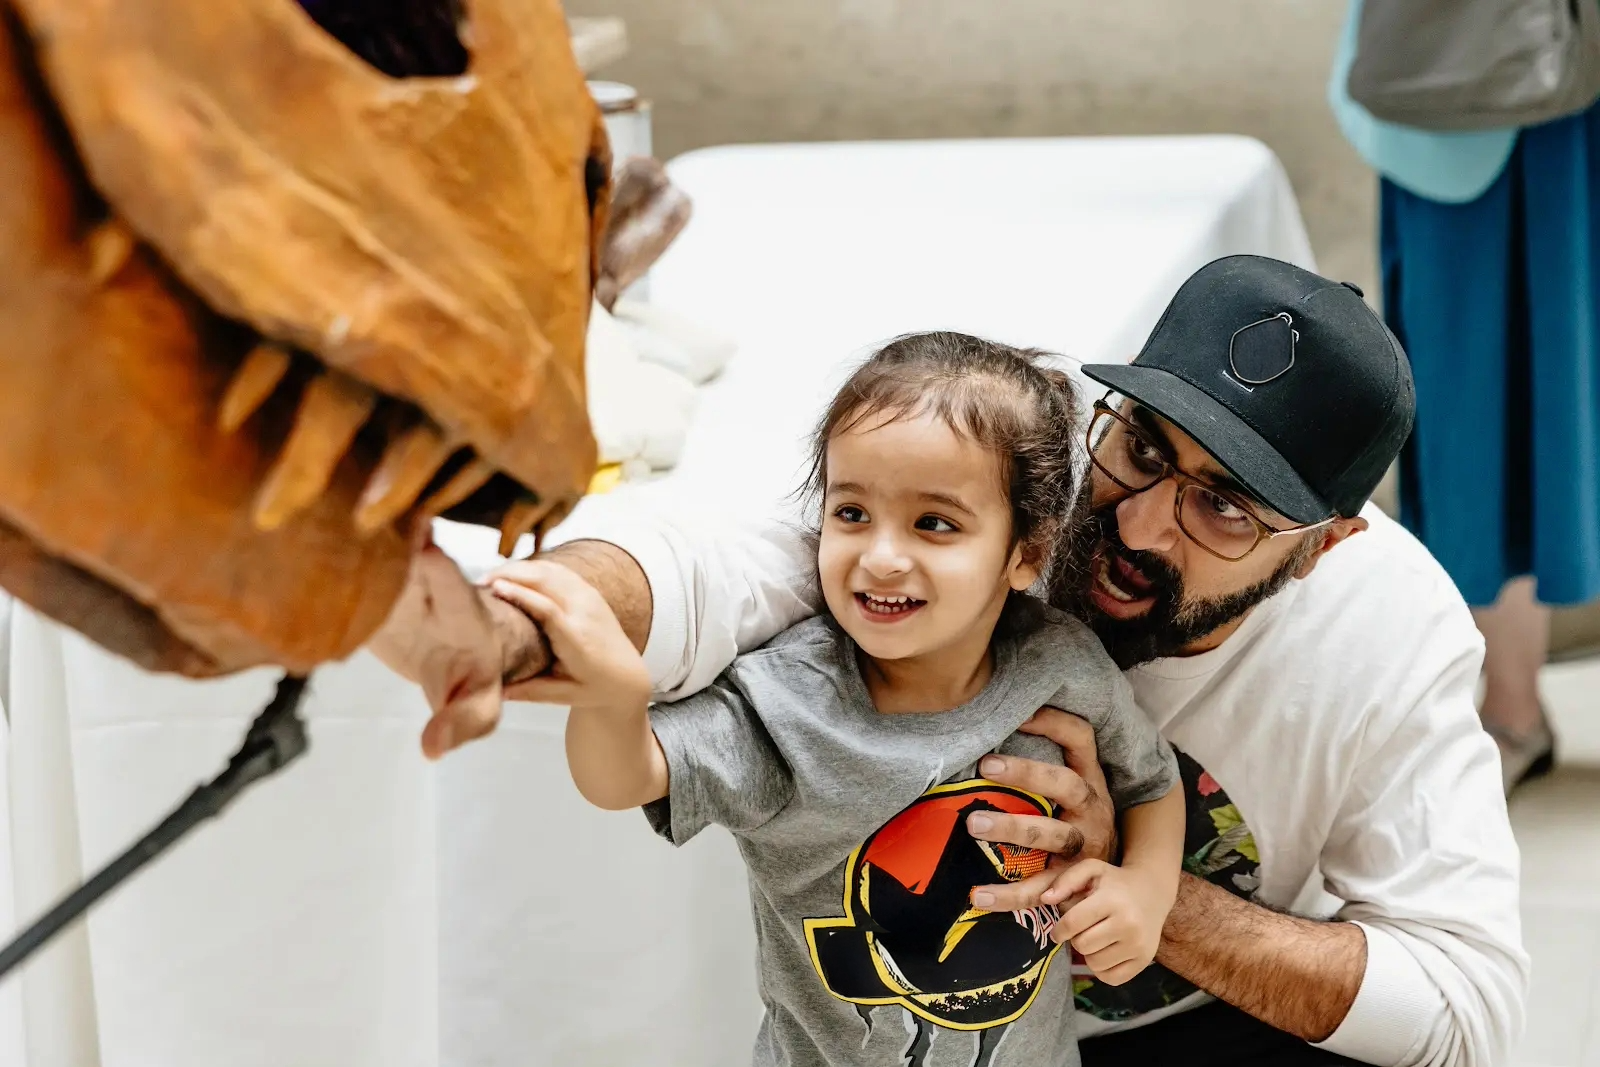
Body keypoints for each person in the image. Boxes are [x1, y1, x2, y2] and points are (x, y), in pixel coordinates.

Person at [373, 256, 1528, 1067]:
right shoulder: (1017, 453)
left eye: (1222, 507)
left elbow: (1465, 1009)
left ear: (1323, 545)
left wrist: (1138, 887)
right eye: (1140, 447)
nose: (1136, 525)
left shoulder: (1391, 631)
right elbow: (731, 565)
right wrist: (511, 625)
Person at [488, 333, 1185, 1067]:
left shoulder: (1062, 664)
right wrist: (613, 698)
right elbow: (623, 777)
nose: (880, 556)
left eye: (934, 524)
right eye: (852, 513)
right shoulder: (787, 705)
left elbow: (1150, 782)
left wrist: (1146, 888)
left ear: (1027, 553)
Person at [1328, 0, 1600, 791]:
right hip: (1471, 82)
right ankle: (1511, 709)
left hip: (1508, 76)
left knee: (1495, 394)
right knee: (1481, 404)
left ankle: (1512, 712)